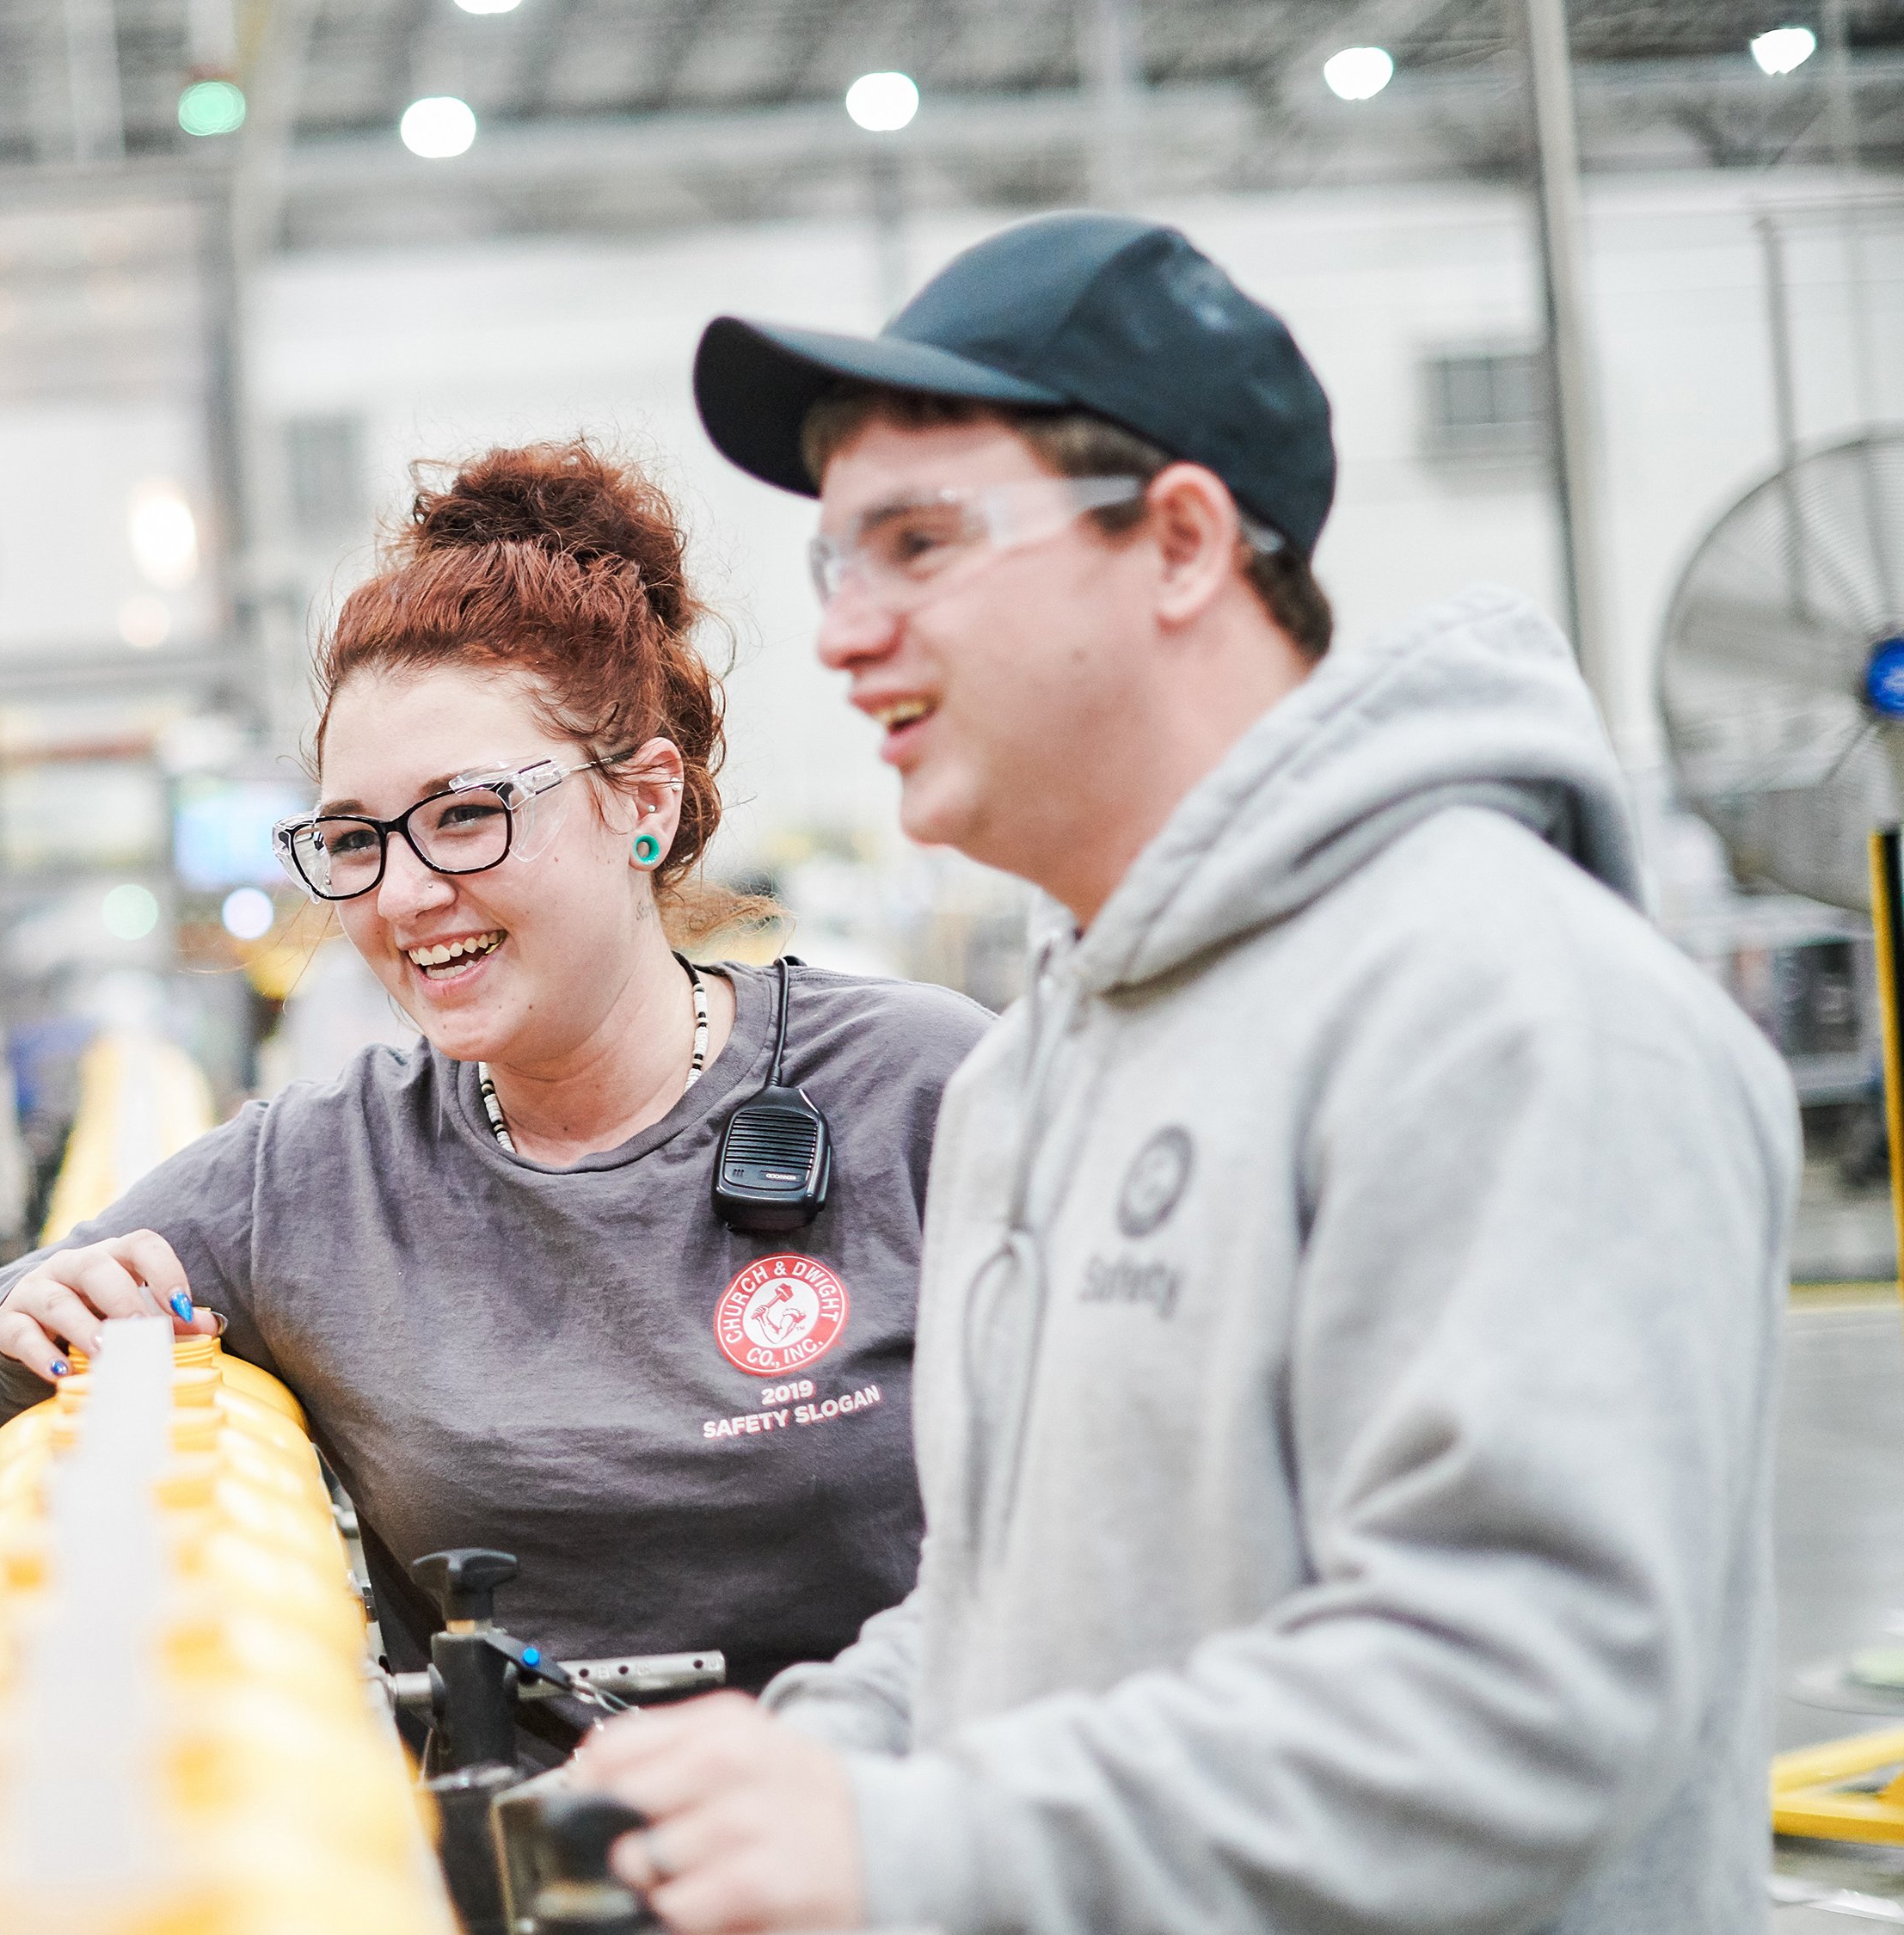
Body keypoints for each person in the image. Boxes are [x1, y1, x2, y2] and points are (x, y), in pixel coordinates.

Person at [574, 212, 1794, 1933]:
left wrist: (925, 1852)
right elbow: (1015, 1611)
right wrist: (801, 1771)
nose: (843, 637)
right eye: (834, 565)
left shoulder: (1506, 1016)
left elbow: (1513, 1695)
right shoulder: (1032, 1067)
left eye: (915, 545)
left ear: (1175, 541)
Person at [0, 442, 990, 1718]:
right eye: (355, 838)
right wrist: (26, 1310)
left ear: (645, 800)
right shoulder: (322, 1174)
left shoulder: (917, 1088)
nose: (405, 895)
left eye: (466, 814)